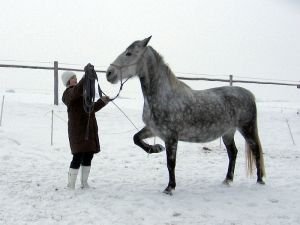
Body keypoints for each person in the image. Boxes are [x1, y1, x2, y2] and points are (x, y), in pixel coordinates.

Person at [61, 70, 110, 189]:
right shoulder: (68, 93)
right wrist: (86, 77)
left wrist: (102, 101)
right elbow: (76, 90)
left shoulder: (82, 94)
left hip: (89, 130)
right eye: (73, 78)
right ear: (68, 81)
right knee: (77, 156)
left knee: (88, 155)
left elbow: (91, 108)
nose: (75, 79)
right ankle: (71, 184)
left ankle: (84, 183)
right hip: (78, 131)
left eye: (76, 77)